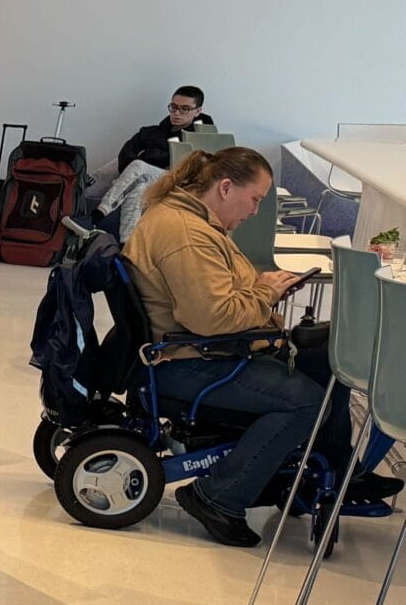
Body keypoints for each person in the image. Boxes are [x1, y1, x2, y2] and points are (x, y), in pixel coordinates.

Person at [125, 145, 362, 546]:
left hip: (199, 350)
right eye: (254, 200)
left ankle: (331, 476)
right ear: (225, 187)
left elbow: (218, 297)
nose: (254, 211)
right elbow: (212, 318)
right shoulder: (187, 235)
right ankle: (217, 496)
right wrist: (265, 295)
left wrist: (263, 287)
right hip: (185, 362)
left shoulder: (192, 220)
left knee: (327, 363)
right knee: (306, 402)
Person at [117, 85, 216, 175]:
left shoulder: (203, 140)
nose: (176, 113)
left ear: (197, 111)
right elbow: (124, 154)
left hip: (169, 180)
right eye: (174, 107)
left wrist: (146, 155)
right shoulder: (149, 132)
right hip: (134, 174)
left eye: (184, 109)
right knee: (109, 169)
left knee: (138, 167)